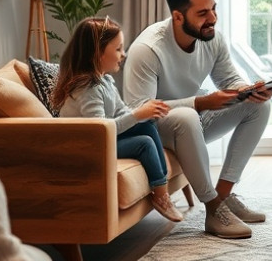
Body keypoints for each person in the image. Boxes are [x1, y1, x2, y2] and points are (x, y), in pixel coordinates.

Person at [123, 0, 272, 239]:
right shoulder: (148, 49)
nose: (213, 18)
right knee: (186, 116)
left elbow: (230, 80)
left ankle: (224, 197)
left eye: (213, 9)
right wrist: (200, 102)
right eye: (203, 13)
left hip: (193, 120)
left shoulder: (212, 37)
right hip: (156, 129)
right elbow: (139, 109)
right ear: (178, 17)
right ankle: (212, 207)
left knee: (258, 108)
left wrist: (249, 91)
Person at [53, 17, 183, 223]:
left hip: (104, 139)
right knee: (144, 143)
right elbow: (100, 130)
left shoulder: (104, 80)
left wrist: (143, 112)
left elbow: (121, 113)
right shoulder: (88, 89)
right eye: (118, 49)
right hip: (89, 146)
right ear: (98, 53)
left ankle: (161, 186)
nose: (123, 55)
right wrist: (137, 114)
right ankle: (161, 196)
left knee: (147, 125)